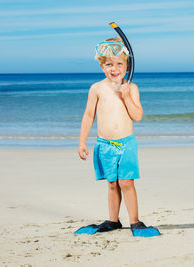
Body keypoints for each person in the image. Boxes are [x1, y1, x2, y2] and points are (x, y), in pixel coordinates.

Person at [77, 36, 147, 233]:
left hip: (126, 144)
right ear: (102, 66)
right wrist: (82, 141)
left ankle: (135, 220)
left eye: (119, 64)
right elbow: (89, 115)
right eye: (109, 64)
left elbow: (138, 116)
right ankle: (113, 220)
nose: (114, 68)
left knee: (126, 182)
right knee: (112, 183)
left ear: (127, 66)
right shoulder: (97, 88)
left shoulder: (131, 88)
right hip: (104, 144)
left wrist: (125, 96)